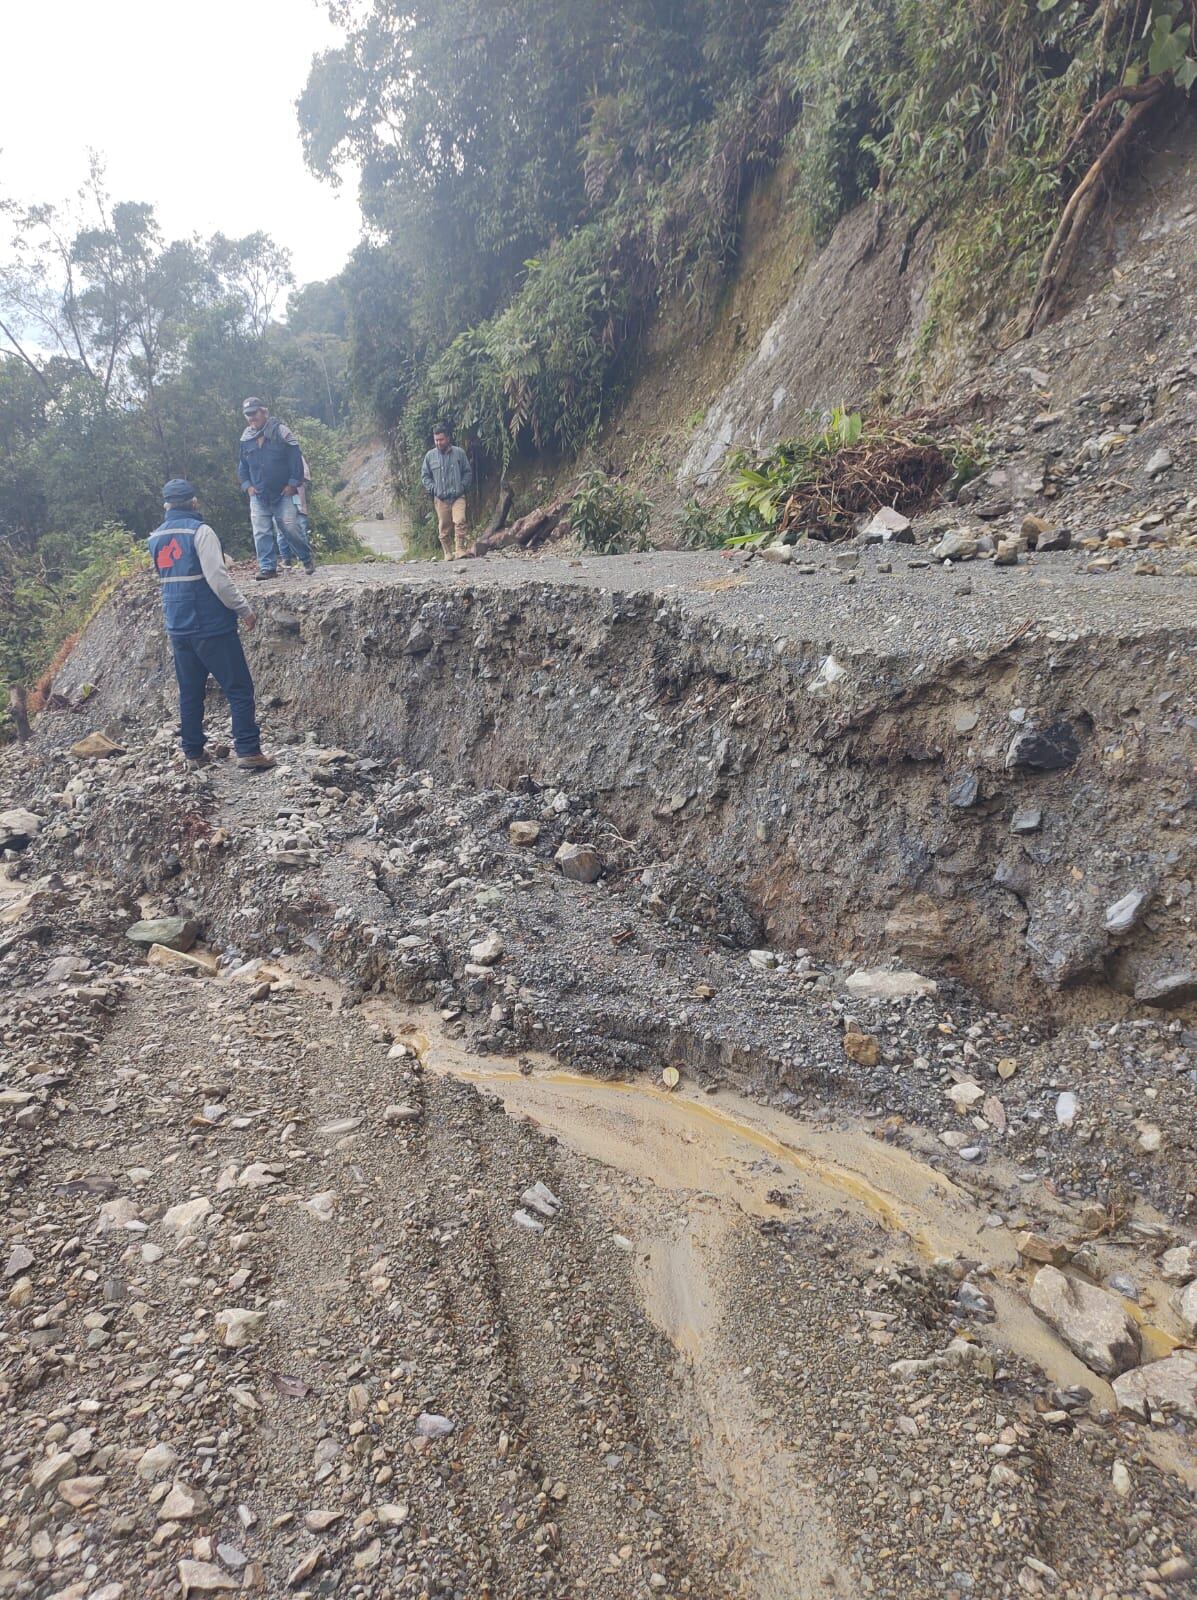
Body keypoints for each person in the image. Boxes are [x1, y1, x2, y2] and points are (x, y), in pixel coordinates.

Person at [147, 478, 275, 771]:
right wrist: (244, 609)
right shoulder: (200, 532)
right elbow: (218, 579)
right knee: (238, 687)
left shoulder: (154, 538)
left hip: (178, 626)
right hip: (210, 624)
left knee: (190, 691)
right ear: (194, 502)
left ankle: (193, 752)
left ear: (166, 506)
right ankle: (248, 749)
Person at [237, 397, 314, 579]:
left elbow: (296, 461)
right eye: (248, 414)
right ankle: (267, 568)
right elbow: (242, 466)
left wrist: (292, 484)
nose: (251, 417)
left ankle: (306, 558)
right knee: (261, 531)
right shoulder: (246, 438)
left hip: (282, 493)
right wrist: (247, 486)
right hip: (258, 494)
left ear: (264, 412)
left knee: (290, 528)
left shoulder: (282, 432)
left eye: (254, 413)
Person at [420, 423, 473, 559]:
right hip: (441, 498)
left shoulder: (459, 453)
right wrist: (433, 489)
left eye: (441, 439)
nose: (439, 443)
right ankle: (447, 552)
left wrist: (462, 486)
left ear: (448, 438)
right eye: (436, 440)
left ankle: (460, 549)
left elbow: (467, 472)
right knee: (444, 527)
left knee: (460, 520)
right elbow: (425, 476)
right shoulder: (430, 456)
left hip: (458, 496)